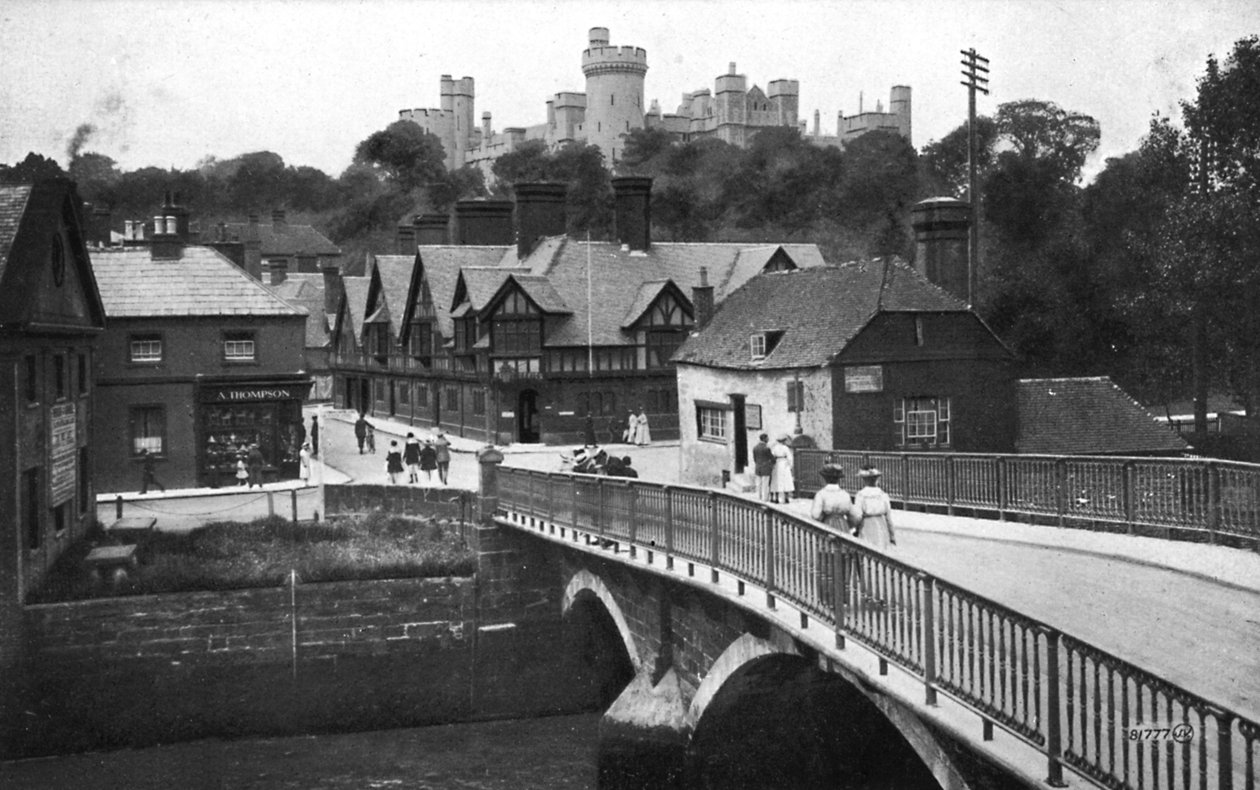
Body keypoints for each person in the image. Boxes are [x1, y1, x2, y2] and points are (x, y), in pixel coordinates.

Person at [850, 467, 896, 551]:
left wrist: (855, 527)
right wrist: (892, 536)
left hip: (867, 526)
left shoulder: (861, 495)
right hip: (881, 526)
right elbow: (888, 518)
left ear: (864, 480)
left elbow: (858, 516)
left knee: (868, 550)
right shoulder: (883, 495)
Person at [810, 464, 853, 532]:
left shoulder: (821, 494)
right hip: (843, 525)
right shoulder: (845, 494)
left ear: (825, 478)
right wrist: (848, 525)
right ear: (838, 479)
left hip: (827, 524)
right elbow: (853, 516)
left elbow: (816, 515)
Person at [770, 434, 794, 504]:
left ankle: (776, 498)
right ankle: (786, 498)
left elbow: (772, 456)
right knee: (785, 480)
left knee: (776, 480)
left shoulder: (774, 448)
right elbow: (790, 457)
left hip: (777, 464)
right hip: (784, 464)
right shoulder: (786, 448)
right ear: (783, 441)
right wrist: (790, 466)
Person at [751, 433, 774, 502]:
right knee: (765, 484)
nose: (768, 439)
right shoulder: (766, 448)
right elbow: (771, 458)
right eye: (767, 438)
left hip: (758, 467)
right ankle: (765, 498)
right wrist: (773, 462)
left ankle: (758, 497)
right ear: (764, 439)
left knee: (758, 483)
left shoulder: (755, 448)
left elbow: (754, 458)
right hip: (766, 468)